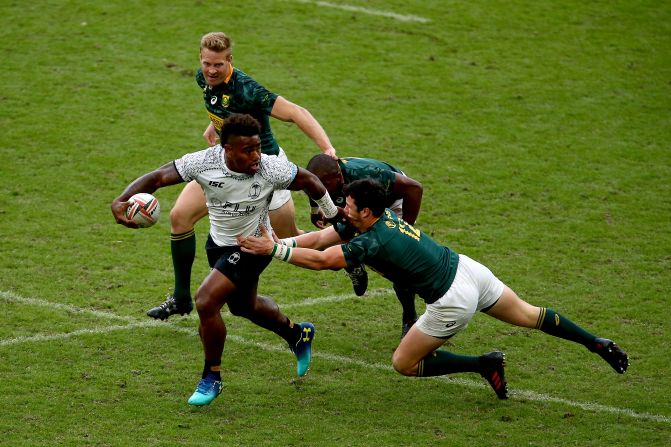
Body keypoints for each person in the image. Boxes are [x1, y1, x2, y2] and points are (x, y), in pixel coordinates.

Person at [238, 179, 629, 399]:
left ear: (367, 212)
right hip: (470, 271)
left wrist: (272, 250)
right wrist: (279, 244)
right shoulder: (378, 221)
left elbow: (324, 261)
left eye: (350, 205)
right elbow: (321, 240)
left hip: (451, 300)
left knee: (404, 364)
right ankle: (597, 342)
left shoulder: (374, 241)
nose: (344, 209)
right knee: (532, 315)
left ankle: (483, 364)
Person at [112, 114, 342, 406]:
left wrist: (332, 215)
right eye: (248, 150)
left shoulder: (271, 168)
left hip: (255, 245)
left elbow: (310, 180)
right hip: (218, 245)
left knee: (206, 300)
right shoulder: (205, 162)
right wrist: (119, 201)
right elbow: (157, 177)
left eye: (258, 147)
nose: (256, 155)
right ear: (227, 150)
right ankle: (297, 333)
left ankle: (212, 376)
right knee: (243, 306)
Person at [147, 31, 338, 321]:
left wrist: (327, 148)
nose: (211, 70)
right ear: (200, 59)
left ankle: (349, 251)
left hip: (266, 171)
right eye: (206, 63)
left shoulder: (248, 88)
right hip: (225, 164)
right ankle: (182, 298)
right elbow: (221, 105)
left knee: (291, 239)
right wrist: (215, 125)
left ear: (230, 61)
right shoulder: (204, 79)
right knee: (179, 217)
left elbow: (297, 112)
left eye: (218, 65)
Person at [306, 154, 423, 337]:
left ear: (340, 177)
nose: (323, 192)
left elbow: (414, 187)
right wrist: (315, 210)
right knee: (343, 232)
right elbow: (314, 188)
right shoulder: (320, 180)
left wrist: (404, 229)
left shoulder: (365, 175)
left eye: (326, 186)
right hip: (360, 206)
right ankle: (354, 266)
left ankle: (409, 317)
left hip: (390, 202)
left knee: (398, 264)